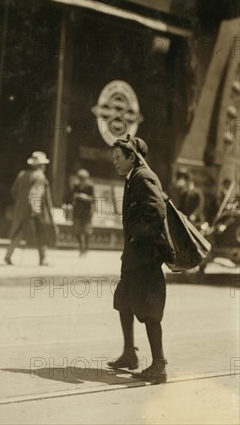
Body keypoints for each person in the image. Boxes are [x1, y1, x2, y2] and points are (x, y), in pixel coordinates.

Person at [109, 136, 169, 383]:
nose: (114, 162)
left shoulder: (144, 177)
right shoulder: (132, 177)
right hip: (134, 256)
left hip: (145, 257)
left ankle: (159, 364)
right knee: (123, 301)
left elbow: (157, 211)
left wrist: (136, 239)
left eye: (117, 157)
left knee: (149, 310)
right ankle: (129, 354)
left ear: (131, 157)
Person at [4, 151, 56, 266]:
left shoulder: (22, 174)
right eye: (43, 164)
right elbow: (35, 193)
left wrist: (21, 202)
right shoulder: (40, 176)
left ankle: (8, 255)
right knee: (41, 232)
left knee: (18, 232)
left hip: (21, 208)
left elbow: (14, 191)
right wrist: (36, 210)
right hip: (36, 210)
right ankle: (43, 259)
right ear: (41, 165)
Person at [66, 169, 95, 255]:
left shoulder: (90, 186)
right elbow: (70, 196)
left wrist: (85, 197)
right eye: (80, 178)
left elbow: (93, 198)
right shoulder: (76, 185)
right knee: (77, 230)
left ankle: (85, 248)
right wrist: (76, 196)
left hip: (86, 211)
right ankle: (80, 247)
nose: (82, 180)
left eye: (83, 178)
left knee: (86, 230)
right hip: (77, 210)